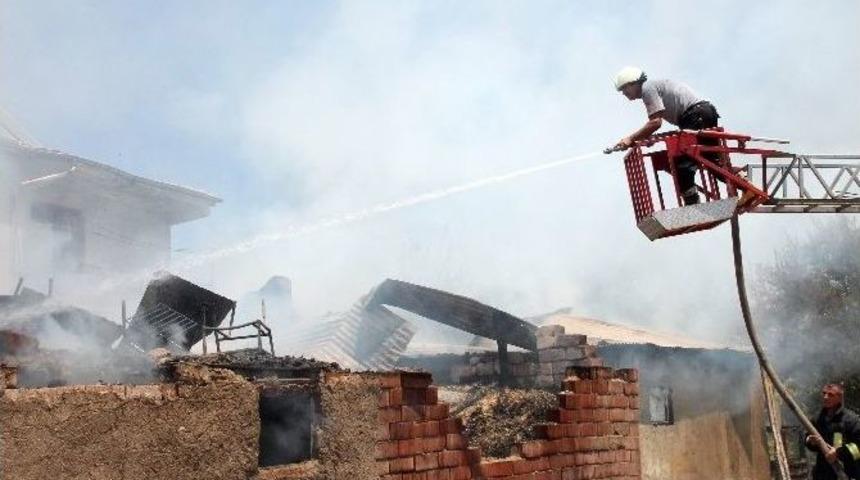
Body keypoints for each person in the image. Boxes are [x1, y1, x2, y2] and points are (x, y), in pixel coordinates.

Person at [612, 66, 720, 206]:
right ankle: (745, 184)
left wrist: (630, 138)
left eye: (625, 88)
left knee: (681, 163)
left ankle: (693, 207)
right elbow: (655, 124)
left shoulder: (647, 88)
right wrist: (647, 137)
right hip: (702, 113)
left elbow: (655, 122)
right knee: (713, 161)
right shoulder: (653, 86)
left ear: (634, 83)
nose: (624, 93)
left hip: (695, 115)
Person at [806, 383, 860, 480]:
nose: (825, 397)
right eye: (824, 393)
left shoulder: (851, 420)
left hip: (847, 473)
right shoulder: (818, 418)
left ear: (839, 397)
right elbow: (807, 438)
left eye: (830, 394)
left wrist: (838, 453)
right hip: (823, 473)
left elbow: (858, 447)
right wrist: (810, 441)